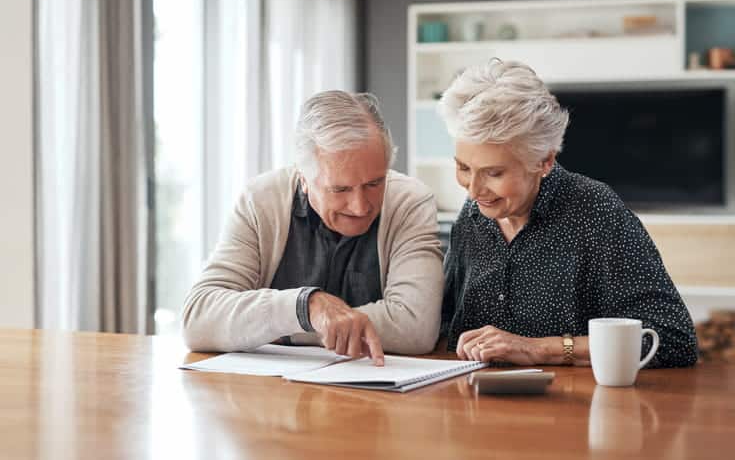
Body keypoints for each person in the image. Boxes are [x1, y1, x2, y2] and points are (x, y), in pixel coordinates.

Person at [437, 59, 698, 368]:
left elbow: (672, 338)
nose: (473, 190)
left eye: (494, 173)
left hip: (575, 408)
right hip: (473, 401)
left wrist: (539, 349)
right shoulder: (473, 214)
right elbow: (446, 325)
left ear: (544, 161)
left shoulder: (596, 210)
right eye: (464, 168)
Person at [181, 90, 444, 365]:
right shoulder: (259, 201)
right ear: (304, 179)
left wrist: (281, 328)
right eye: (340, 189)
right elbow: (198, 319)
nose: (360, 206)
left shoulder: (411, 201)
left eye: (374, 184)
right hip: (272, 397)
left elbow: (416, 327)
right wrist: (307, 307)